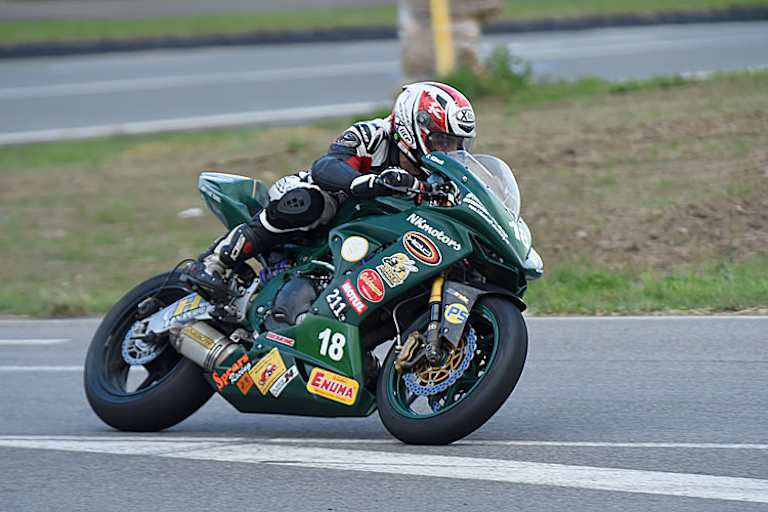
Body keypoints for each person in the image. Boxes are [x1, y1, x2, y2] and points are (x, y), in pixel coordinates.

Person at [182, 81, 477, 302]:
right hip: (324, 204)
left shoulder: (437, 176)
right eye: (441, 140)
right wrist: (361, 183)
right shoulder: (371, 135)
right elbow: (326, 165)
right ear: (413, 127)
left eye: (455, 145)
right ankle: (215, 261)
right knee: (309, 203)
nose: (448, 151)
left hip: (368, 241)